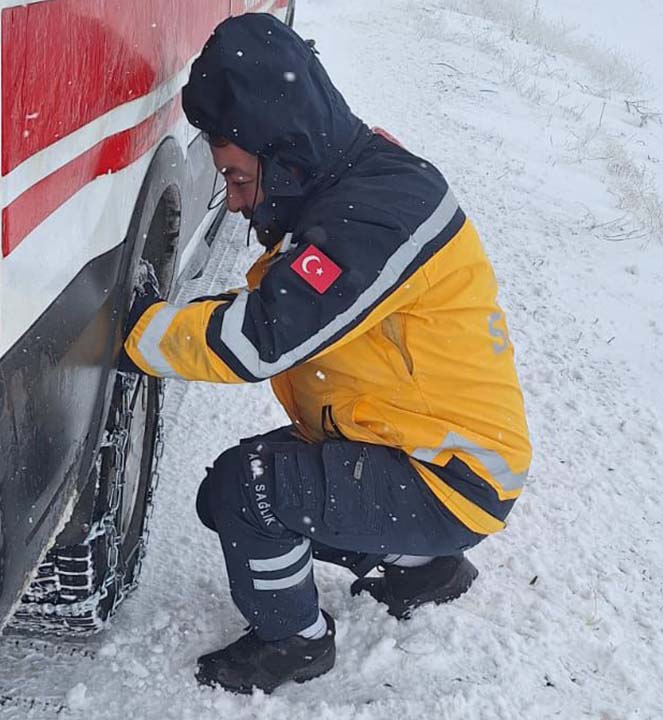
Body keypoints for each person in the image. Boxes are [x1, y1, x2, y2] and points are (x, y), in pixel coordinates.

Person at [118, 13, 532, 694]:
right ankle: (423, 566)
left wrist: (133, 334)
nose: (235, 197)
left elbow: (260, 339)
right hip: (423, 450)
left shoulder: (378, 213)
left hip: (451, 472)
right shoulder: (352, 185)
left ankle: (295, 645)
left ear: (279, 150)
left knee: (248, 492)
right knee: (230, 499)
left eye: (236, 173)